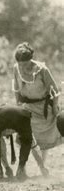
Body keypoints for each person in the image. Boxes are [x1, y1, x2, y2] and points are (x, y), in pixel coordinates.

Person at [12, 42, 61, 176]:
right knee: (27, 138)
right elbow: (16, 87)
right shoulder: (16, 68)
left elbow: (55, 90)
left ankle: (42, 166)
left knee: (43, 140)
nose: (22, 66)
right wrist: (17, 103)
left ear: (30, 60)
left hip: (43, 108)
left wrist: (56, 107)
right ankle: (24, 168)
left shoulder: (42, 69)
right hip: (27, 108)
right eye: (20, 63)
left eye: (25, 63)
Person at [0, 105, 34, 181]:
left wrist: (2, 166)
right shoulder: (21, 119)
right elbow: (29, 142)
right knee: (27, 141)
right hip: (22, 115)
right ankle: (20, 170)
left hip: (1, 115)